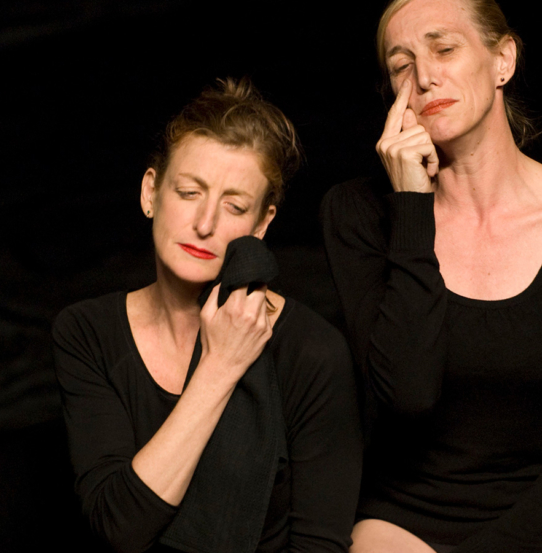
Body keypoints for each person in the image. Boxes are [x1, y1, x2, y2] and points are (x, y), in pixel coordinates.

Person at [321, 0, 542, 553]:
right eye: (401, 66)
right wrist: (412, 206)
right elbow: (408, 395)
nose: (425, 77)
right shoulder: (359, 213)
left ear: (503, 61)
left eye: (444, 49)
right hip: (407, 515)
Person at [53, 77, 363, 553]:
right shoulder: (86, 332)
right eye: (189, 192)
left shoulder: (312, 352)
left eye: (234, 206)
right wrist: (220, 366)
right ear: (150, 192)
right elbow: (119, 527)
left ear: (261, 224)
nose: (205, 224)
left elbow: (320, 545)